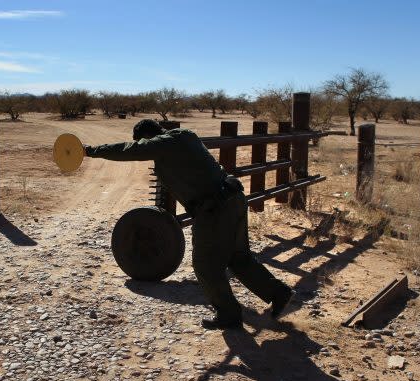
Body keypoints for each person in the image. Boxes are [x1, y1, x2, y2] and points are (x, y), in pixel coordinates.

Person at [84, 119, 295, 330]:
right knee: (238, 257)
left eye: (144, 142)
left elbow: (129, 150)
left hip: (214, 209)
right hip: (234, 199)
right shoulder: (186, 135)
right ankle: (279, 294)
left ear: (149, 137)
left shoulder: (163, 143)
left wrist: (90, 151)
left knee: (205, 264)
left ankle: (229, 314)